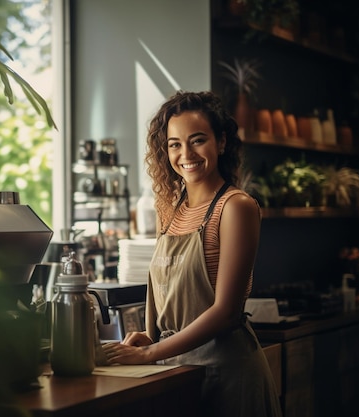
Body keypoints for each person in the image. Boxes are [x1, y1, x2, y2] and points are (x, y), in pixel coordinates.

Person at [102, 91, 282, 417]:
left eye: (197, 140)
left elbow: (226, 312)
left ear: (222, 142)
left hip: (227, 373)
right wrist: (150, 336)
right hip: (176, 371)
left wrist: (150, 354)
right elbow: (158, 281)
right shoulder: (169, 210)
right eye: (174, 144)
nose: (186, 153)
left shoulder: (235, 207)